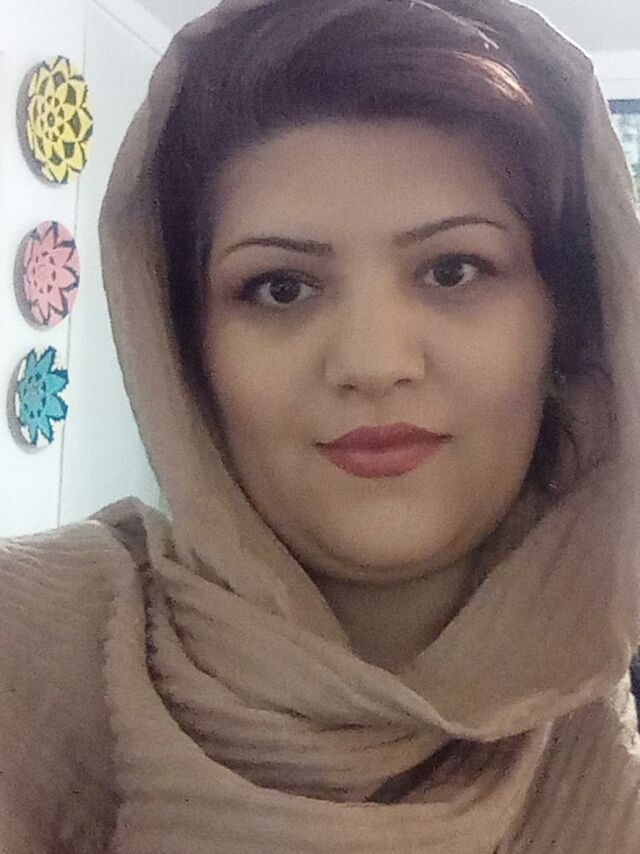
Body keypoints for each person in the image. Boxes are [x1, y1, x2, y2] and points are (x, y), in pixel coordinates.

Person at [2, 0, 640, 851]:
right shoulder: (25, 648)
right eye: (281, 288)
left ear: (568, 332)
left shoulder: (606, 743)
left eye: (454, 270)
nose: (373, 362)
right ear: (184, 355)